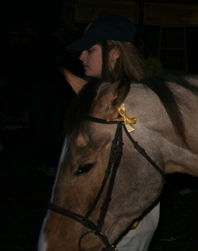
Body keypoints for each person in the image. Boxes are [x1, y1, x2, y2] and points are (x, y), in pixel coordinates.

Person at [66, 13, 160, 251]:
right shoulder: (97, 97)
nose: (81, 57)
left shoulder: (134, 103)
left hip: (121, 227)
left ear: (115, 53)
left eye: (90, 50)